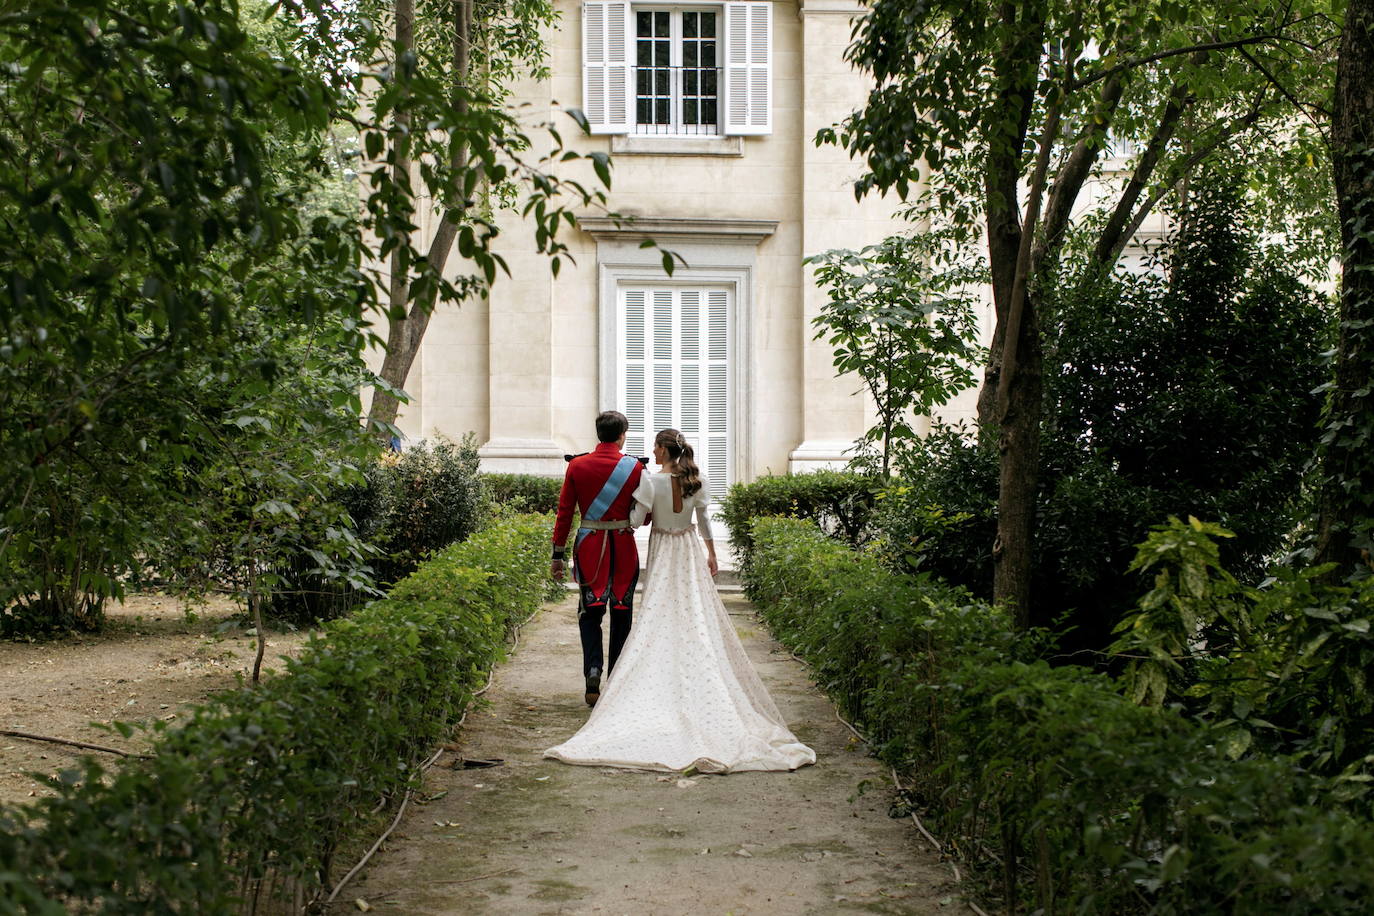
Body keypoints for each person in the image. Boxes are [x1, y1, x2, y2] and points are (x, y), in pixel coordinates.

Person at [545, 428, 816, 773]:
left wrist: (621, 522)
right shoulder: (696, 480)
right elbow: (704, 520)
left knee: (654, 610)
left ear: (662, 449)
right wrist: (712, 554)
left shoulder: (648, 480)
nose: (652, 452)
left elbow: (634, 520)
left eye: (656, 447)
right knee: (693, 611)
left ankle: (604, 675)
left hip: (658, 546)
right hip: (687, 548)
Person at [551, 410, 646, 707]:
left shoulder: (577, 465)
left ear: (598, 434)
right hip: (623, 548)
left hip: (590, 549)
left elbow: (564, 514)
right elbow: (645, 516)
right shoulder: (635, 467)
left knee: (590, 613)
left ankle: (592, 670)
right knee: (622, 612)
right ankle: (616, 679)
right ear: (622, 435)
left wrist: (557, 555)